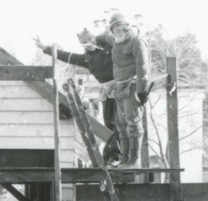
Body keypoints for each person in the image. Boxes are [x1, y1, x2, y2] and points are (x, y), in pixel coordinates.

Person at [35, 29, 122, 164]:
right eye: (85, 43)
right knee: (109, 123)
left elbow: (115, 39)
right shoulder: (86, 59)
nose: (89, 43)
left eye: (90, 40)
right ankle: (111, 154)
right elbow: (65, 55)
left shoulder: (108, 46)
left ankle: (117, 154)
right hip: (107, 92)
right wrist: (45, 48)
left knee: (120, 122)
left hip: (121, 88)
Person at [106, 12, 150, 167]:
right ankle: (124, 159)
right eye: (114, 26)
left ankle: (134, 160)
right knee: (121, 124)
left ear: (126, 25)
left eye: (120, 25)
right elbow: (103, 37)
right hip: (119, 88)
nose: (117, 28)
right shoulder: (115, 42)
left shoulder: (136, 41)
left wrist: (141, 90)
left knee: (133, 123)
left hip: (132, 86)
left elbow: (143, 67)